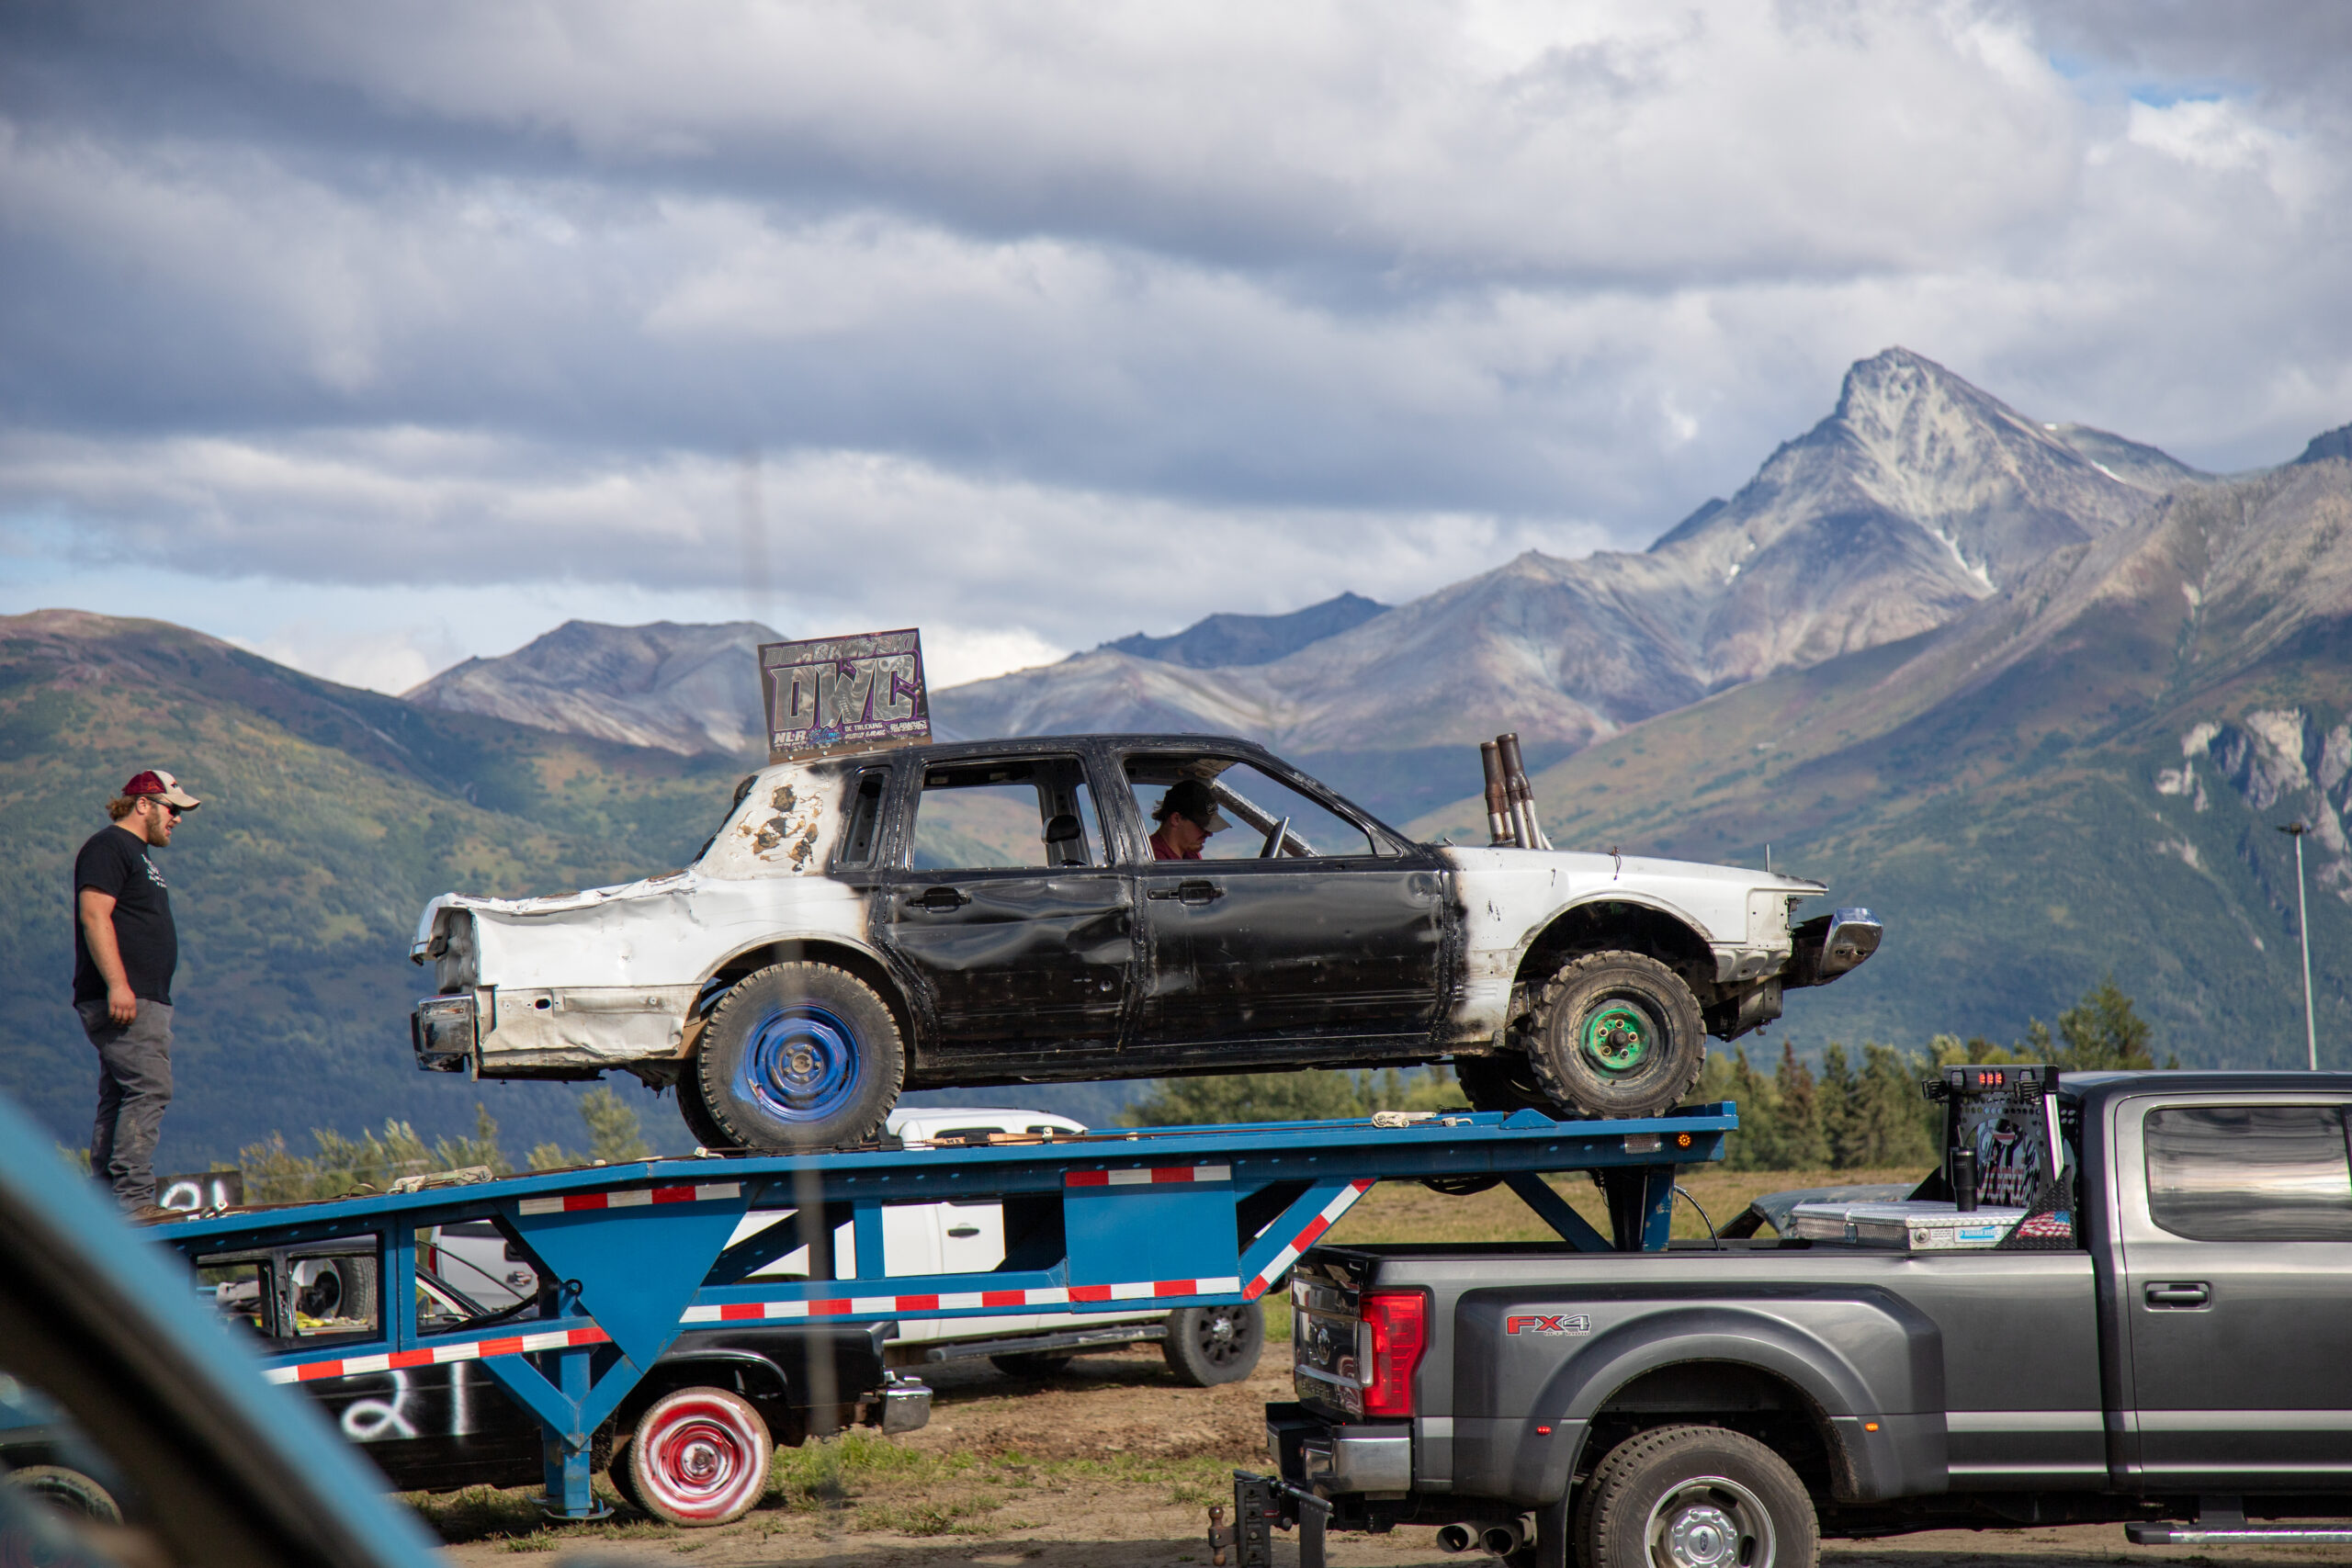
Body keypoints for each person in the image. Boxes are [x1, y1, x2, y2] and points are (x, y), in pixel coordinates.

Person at [74, 769, 200, 1221]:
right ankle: (131, 1201)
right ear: (142, 804)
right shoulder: (111, 847)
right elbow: (94, 914)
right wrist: (119, 984)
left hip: (141, 998)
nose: (178, 819)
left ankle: (106, 1203)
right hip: (126, 997)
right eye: (172, 809)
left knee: (121, 1094)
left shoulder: (136, 854)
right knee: (149, 1087)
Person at [1148, 778, 1228, 861]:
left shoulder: (1190, 854)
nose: (1209, 834)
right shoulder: (1154, 860)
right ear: (1176, 819)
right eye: (1202, 826)